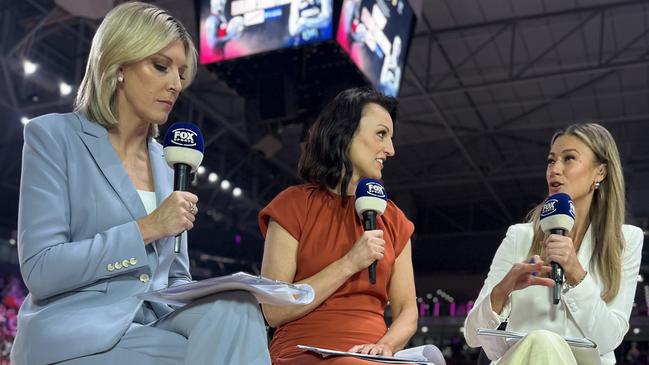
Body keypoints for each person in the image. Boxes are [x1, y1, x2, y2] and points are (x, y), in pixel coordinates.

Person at [11, 3, 270, 365]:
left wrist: (225, 287)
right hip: (76, 332)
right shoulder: (53, 136)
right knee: (204, 356)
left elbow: (174, 278)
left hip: (152, 324)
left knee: (237, 307)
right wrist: (146, 228)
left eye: (181, 74)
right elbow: (41, 270)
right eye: (161, 67)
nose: (176, 85)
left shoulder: (168, 165)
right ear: (118, 66)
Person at [259, 87, 418, 364]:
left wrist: (386, 346)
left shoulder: (393, 218)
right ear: (345, 133)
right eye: (381, 134)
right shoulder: (293, 204)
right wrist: (349, 262)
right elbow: (273, 310)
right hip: (303, 350)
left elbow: (407, 310)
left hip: (373, 354)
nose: (390, 149)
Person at [464, 123, 643, 365]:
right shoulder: (520, 236)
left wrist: (577, 274)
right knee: (542, 341)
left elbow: (609, 339)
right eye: (551, 160)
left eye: (569, 158)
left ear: (600, 172)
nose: (554, 169)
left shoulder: (627, 240)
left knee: (546, 341)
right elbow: (472, 335)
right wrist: (503, 290)